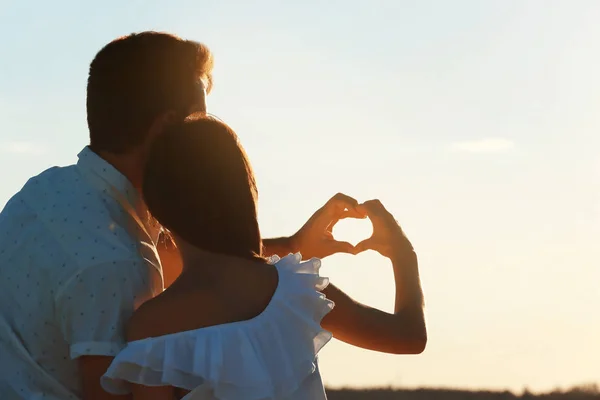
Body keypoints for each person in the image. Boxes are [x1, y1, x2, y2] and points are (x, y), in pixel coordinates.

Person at [0, 32, 377, 400]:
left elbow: (182, 256)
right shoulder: (118, 265)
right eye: (199, 123)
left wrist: (291, 246)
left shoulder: (46, 192)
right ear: (165, 129)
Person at [100, 116, 426, 400]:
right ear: (246, 194)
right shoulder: (299, 292)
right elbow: (408, 336)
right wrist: (403, 255)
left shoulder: (151, 327)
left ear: (159, 211)